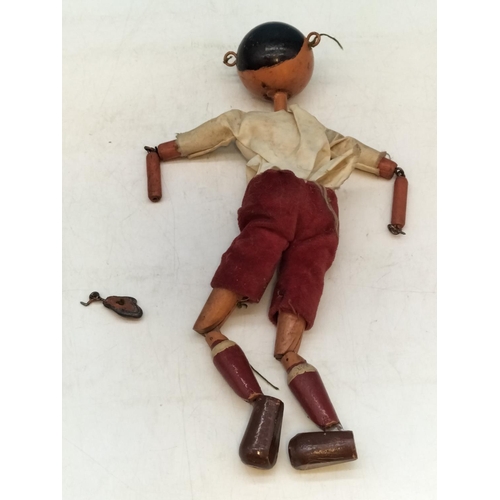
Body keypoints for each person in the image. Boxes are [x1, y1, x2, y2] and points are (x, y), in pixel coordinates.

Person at [146, 22, 399, 470]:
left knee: (222, 305)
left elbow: (200, 138)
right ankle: (331, 431)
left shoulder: (244, 120)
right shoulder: (318, 130)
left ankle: (261, 405)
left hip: (276, 193)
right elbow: (361, 153)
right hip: (323, 208)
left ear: (249, 77)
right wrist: (387, 167)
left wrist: (161, 152)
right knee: (298, 306)